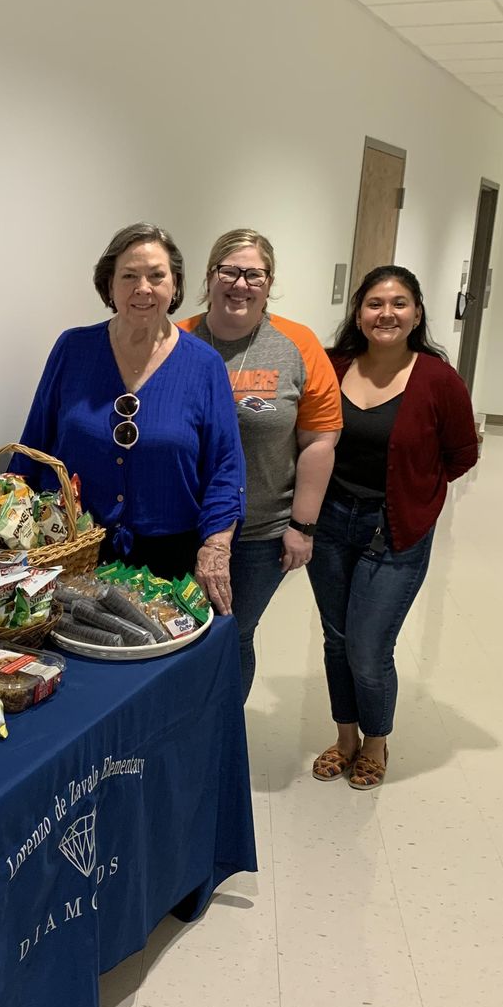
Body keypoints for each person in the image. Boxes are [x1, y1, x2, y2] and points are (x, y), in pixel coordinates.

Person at [306, 264, 479, 790]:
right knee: (336, 639)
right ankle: (345, 737)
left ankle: (377, 741)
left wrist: (414, 491)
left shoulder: (436, 378)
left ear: (418, 313)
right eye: (376, 303)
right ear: (358, 314)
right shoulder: (332, 367)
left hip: (395, 529)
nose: (387, 313)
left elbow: (461, 454)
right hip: (331, 524)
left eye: (399, 303)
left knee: (368, 645)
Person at [12, 222, 244, 612]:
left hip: (173, 560)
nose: (143, 288)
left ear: (175, 285)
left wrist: (216, 547)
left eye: (157, 276)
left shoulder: (204, 365)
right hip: (75, 551)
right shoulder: (74, 349)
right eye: (129, 276)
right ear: (109, 284)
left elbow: (225, 465)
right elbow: (34, 445)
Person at [179, 229, 341, 699]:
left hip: (260, 531)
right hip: (181, 524)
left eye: (254, 273)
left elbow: (319, 440)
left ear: (269, 283)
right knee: (176, 630)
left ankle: (223, 731)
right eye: (228, 271)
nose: (240, 283)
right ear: (209, 278)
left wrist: (302, 526)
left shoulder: (298, 344)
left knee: (232, 632)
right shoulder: (177, 339)